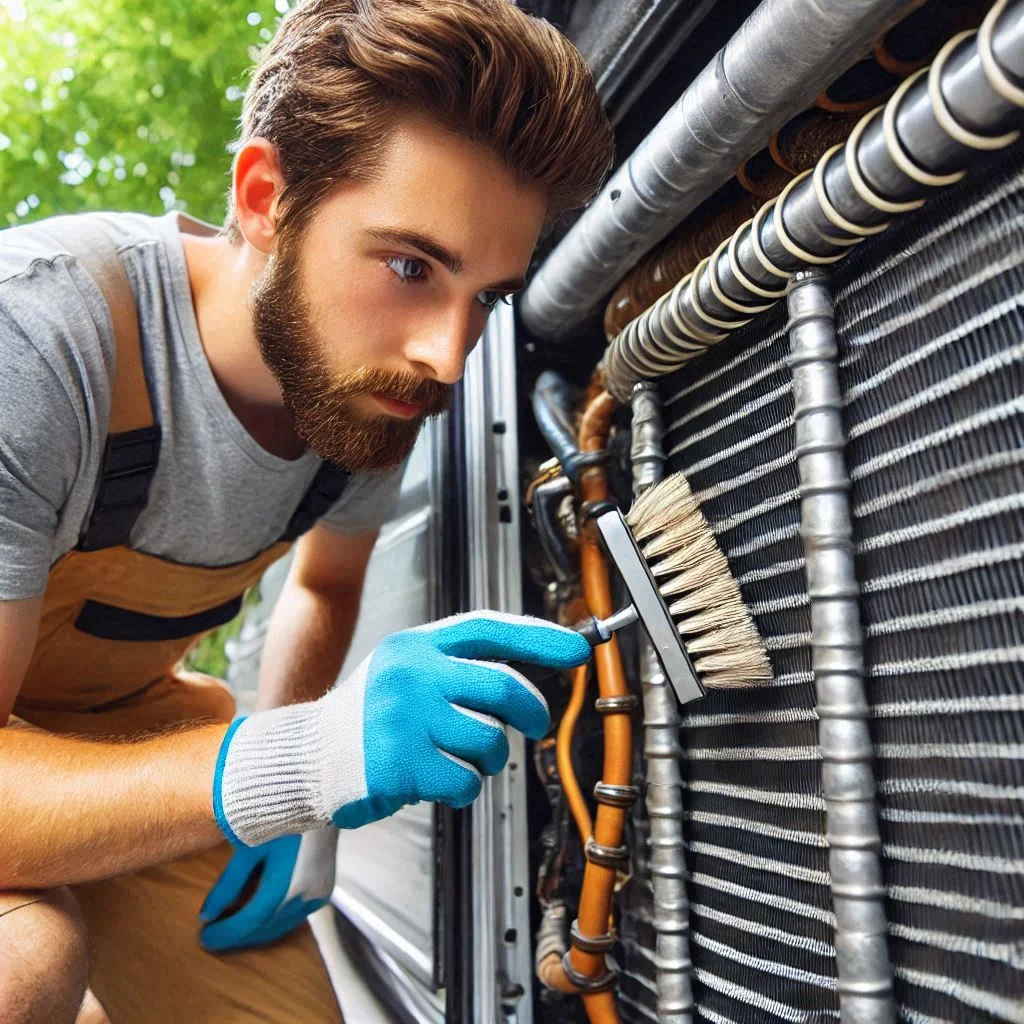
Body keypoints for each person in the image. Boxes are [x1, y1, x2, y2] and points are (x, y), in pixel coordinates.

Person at [0, 1, 614, 1020]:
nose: (445, 356)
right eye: (410, 267)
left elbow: (325, 586)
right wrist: (300, 759)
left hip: (118, 730)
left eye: (484, 298)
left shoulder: (369, 389)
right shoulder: (42, 340)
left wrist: (289, 801)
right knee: (32, 965)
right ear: (264, 198)